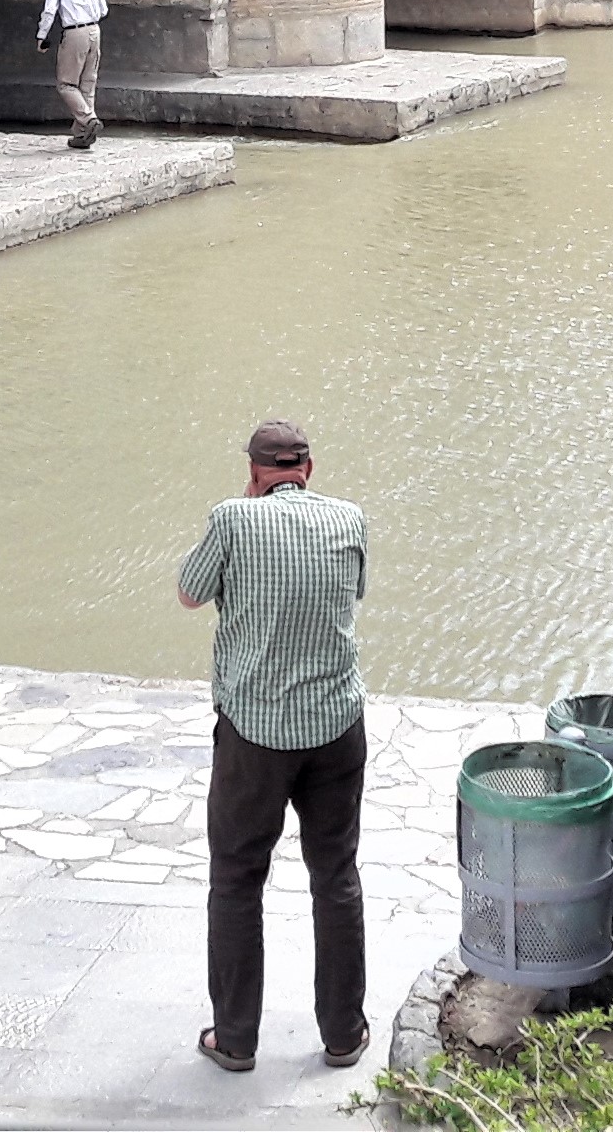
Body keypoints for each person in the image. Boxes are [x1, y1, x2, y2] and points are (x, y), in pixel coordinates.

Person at [176, 418, 370, 1078]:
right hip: (335, 728)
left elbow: (188, 593)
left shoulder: (233, 518)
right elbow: (352, 596)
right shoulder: (350, 519)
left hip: (255, 737)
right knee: (336, 877)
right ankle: (343, 1035)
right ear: (309, 470)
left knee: (235, 881)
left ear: (255, 474)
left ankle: (235, 1040)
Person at [37, 0, 107, 151]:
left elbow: (50, 11)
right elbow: (103, 9)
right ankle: (82, 135)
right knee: (88, 83)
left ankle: (89, 120)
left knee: (66, 84)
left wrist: (42, 36)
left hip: (75, 31)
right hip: (95, 30)